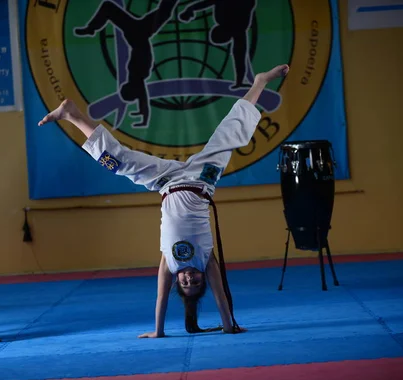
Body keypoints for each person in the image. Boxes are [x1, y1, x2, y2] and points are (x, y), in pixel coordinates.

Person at [38, 63, 290, 337]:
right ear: (203, 277)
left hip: (166, 183)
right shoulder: (207, 260)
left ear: (177, 283)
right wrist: (228, 326)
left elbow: (160, 299)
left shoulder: (169, 263)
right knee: (232, 133)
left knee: (117, 163)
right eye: (196, 281)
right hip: (201, 180)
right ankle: (260, 82)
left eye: (186, 283)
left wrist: (158, 331)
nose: (190, 278)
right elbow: (220, 295)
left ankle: (73, 115)